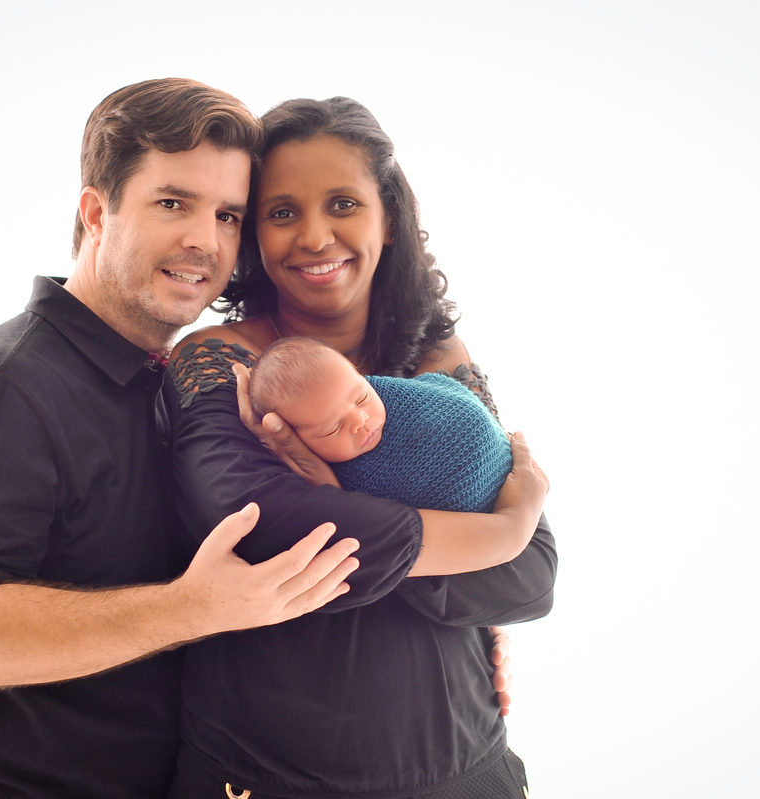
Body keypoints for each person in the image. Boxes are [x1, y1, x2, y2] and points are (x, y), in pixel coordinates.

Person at [0, 79, 366, 799]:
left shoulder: (186, 379)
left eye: (227, 215)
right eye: (173, 203)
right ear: (96, 213)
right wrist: (191, 608)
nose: (204, 241)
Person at [162, 96, 556, 797]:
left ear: (389, 218)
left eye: (343, 204)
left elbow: (530, 578)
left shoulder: (439, 361)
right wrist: (501, 529)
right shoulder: (222, 361)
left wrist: (337, 499)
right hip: (261, 779)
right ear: (254, 234)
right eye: (282, 212)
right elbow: (259, 530)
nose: (315, 236)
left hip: (467, 771)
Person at [248, 335, 513, 524]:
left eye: (361, 398)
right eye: (333, 428)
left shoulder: (397, 394)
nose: (361, 420)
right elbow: (371, 526)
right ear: (295, 439)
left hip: (500, 460)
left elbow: (447, 397)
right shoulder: (329, 478)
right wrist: (333, 495)